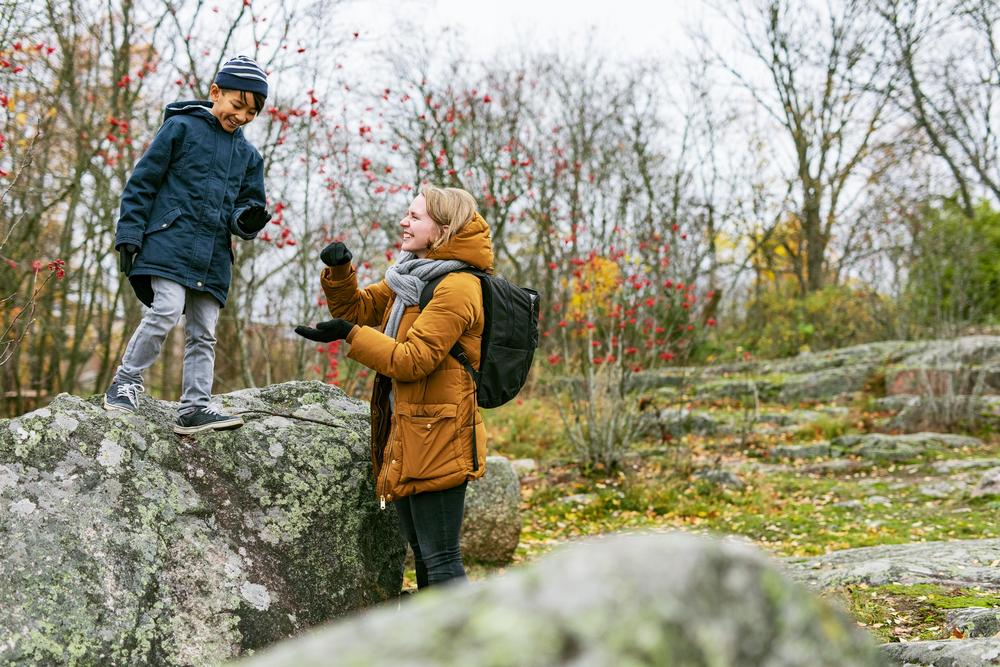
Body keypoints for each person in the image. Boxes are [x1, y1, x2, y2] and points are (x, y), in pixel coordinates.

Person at [295, 185, 492, 589]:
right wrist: (339, 272)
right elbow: (357, 309)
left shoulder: (458, 287)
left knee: (442, 561)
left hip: (440, 433)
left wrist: (351, 335)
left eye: (415, 217)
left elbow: (411, 359)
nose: (404, 221)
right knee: (422, 553)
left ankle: (468, 647)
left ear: (442, 228)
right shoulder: (409, 276)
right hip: (409, 428)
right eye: (408, 214)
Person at [104, 55, 272, 435]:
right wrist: (129, 234)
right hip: (168, 241)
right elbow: (142, 183)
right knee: (165, 309)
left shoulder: (249, 157)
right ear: (216, 92)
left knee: (204, 331)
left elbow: (246, 206)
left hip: (213, 255)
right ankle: (125, 381)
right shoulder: (179, 128)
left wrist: (246, 221)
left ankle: (195, 406)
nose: (242, 116)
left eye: (252, 112)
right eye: (237, 105)